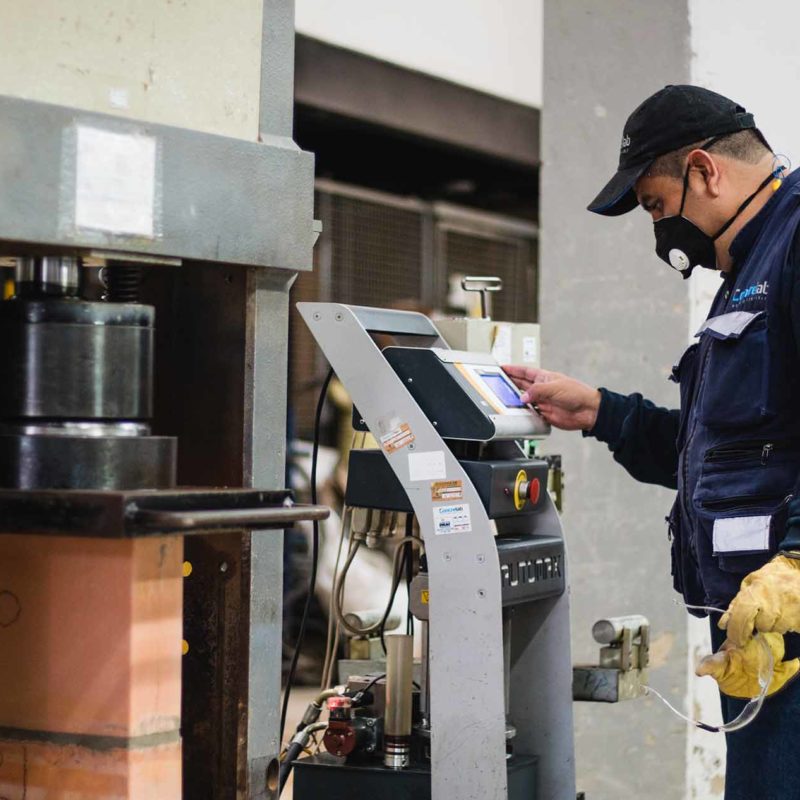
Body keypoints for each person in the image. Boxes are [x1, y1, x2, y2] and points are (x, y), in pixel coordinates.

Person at [506, 84, 800, 800]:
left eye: (654, 204)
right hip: (758, 622)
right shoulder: (747, 271)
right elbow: (733, 455)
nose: (659, 230)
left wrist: (796, 561)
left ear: (704, 171)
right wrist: (604, 412)